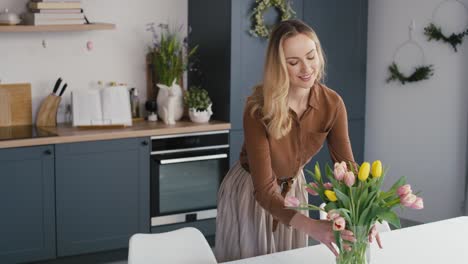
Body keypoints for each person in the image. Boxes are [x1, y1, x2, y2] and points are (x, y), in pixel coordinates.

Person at [215, 19, 373, 262]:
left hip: (293, 191)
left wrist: (363, 214)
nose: (306, 68)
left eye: (311, 57)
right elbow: (266, 191)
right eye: (293, 62)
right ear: (279, 66)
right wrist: (311, 226)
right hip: (252, 191)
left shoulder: (332, 104)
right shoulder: (258, 108)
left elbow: (348, 170)